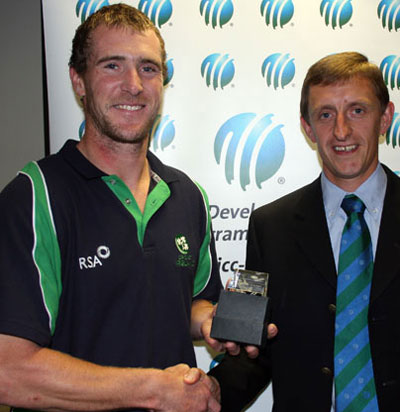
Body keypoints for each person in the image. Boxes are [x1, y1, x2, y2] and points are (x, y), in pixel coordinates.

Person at [0, 4, 240, 411]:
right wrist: (153, 389)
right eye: (112, 66)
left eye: (148, 68)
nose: (133, 85)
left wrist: (207, 320)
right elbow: (8, 371)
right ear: (79, 81)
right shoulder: (35, 195)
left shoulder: (188, 196)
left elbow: (191, 299)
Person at [208, 51, 399, 411]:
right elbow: (250, 346)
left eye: (357, 110)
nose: (341, 130)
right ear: (308, 127)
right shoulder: (269, 226)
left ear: (385, 118)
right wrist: (209, 393)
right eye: (326, 115)